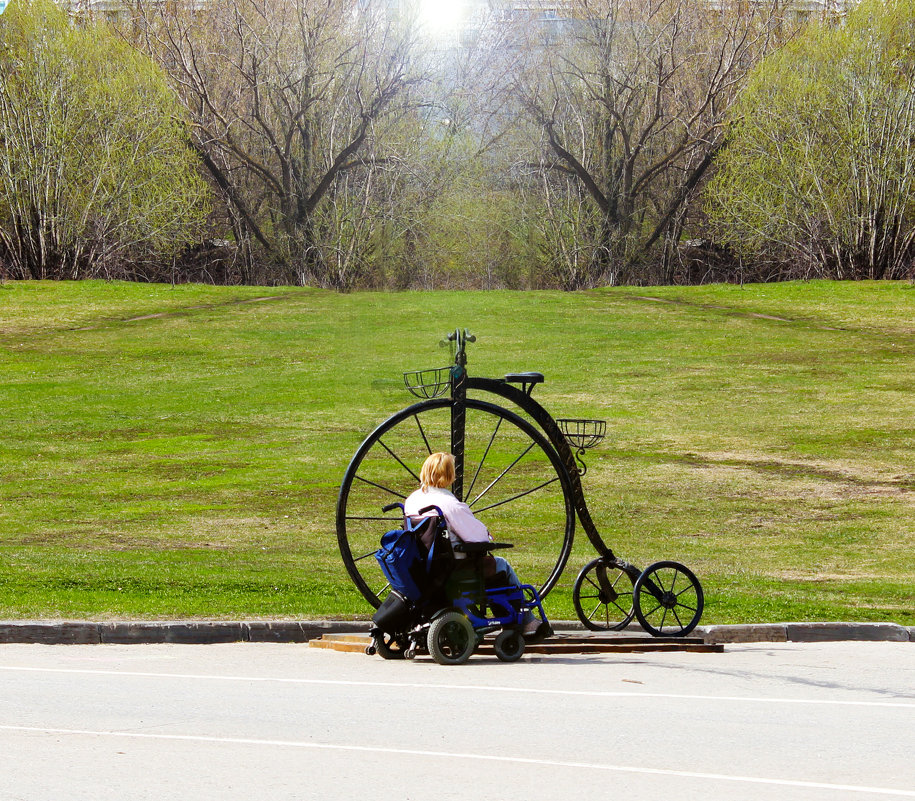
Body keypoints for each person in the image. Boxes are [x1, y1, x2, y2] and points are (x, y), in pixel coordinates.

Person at [403, 452, 541, 636]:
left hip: (425, 569)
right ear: (450, 475)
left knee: (489, 566)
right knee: (501, 566)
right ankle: (526, 621)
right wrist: (487, 536)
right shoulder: (448, 503)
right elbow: (478, 538)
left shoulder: (412, 500)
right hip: (452, 569)